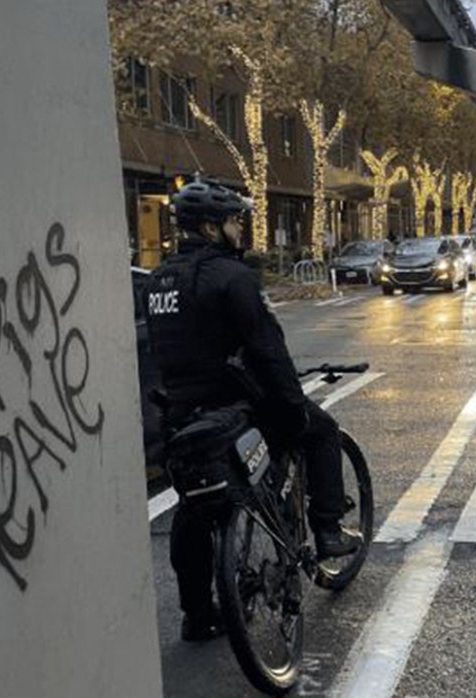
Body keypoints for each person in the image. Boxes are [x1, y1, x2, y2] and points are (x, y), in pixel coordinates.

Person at [147, 177, 361, 642]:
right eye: (231, 221)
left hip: (184, 413)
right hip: (238, 404)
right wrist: (291, 407)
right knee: (320, 429)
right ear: (210, 227)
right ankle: (327, 532)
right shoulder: (234, 277)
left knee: (194, 509)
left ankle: (198, 615)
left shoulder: (160, 279)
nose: (238, 230)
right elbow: (267, 349)